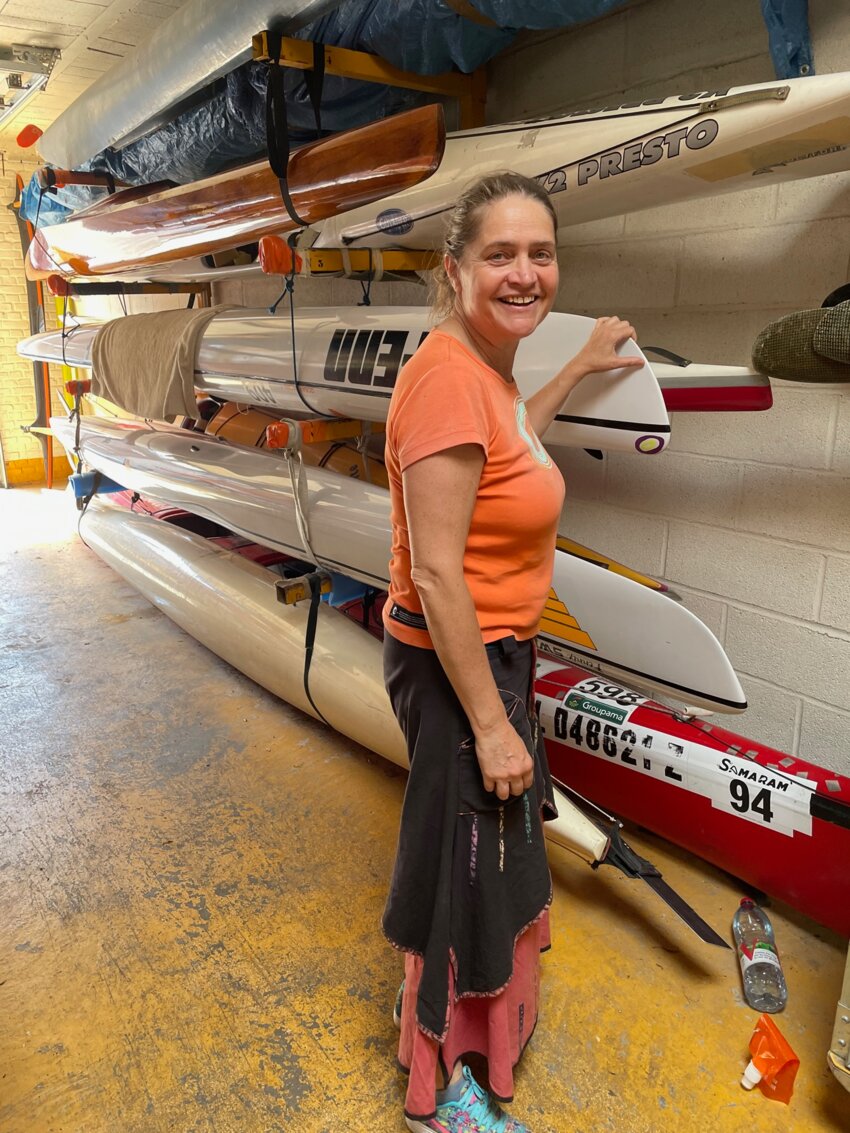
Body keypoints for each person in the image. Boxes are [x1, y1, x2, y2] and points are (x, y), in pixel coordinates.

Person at [381, 170, 640, 1133]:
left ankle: (460, 1033)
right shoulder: (450, 378)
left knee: (486, 854)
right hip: (459, 664)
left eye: (540, 253)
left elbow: (509, 449)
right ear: (456, 269)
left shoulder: (482, 368)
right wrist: (491, 727)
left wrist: (576, 368)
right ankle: (439, 1091)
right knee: (461, 867)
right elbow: (441, 575)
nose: (524, 272)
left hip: (487, 657)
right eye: (500, 254)